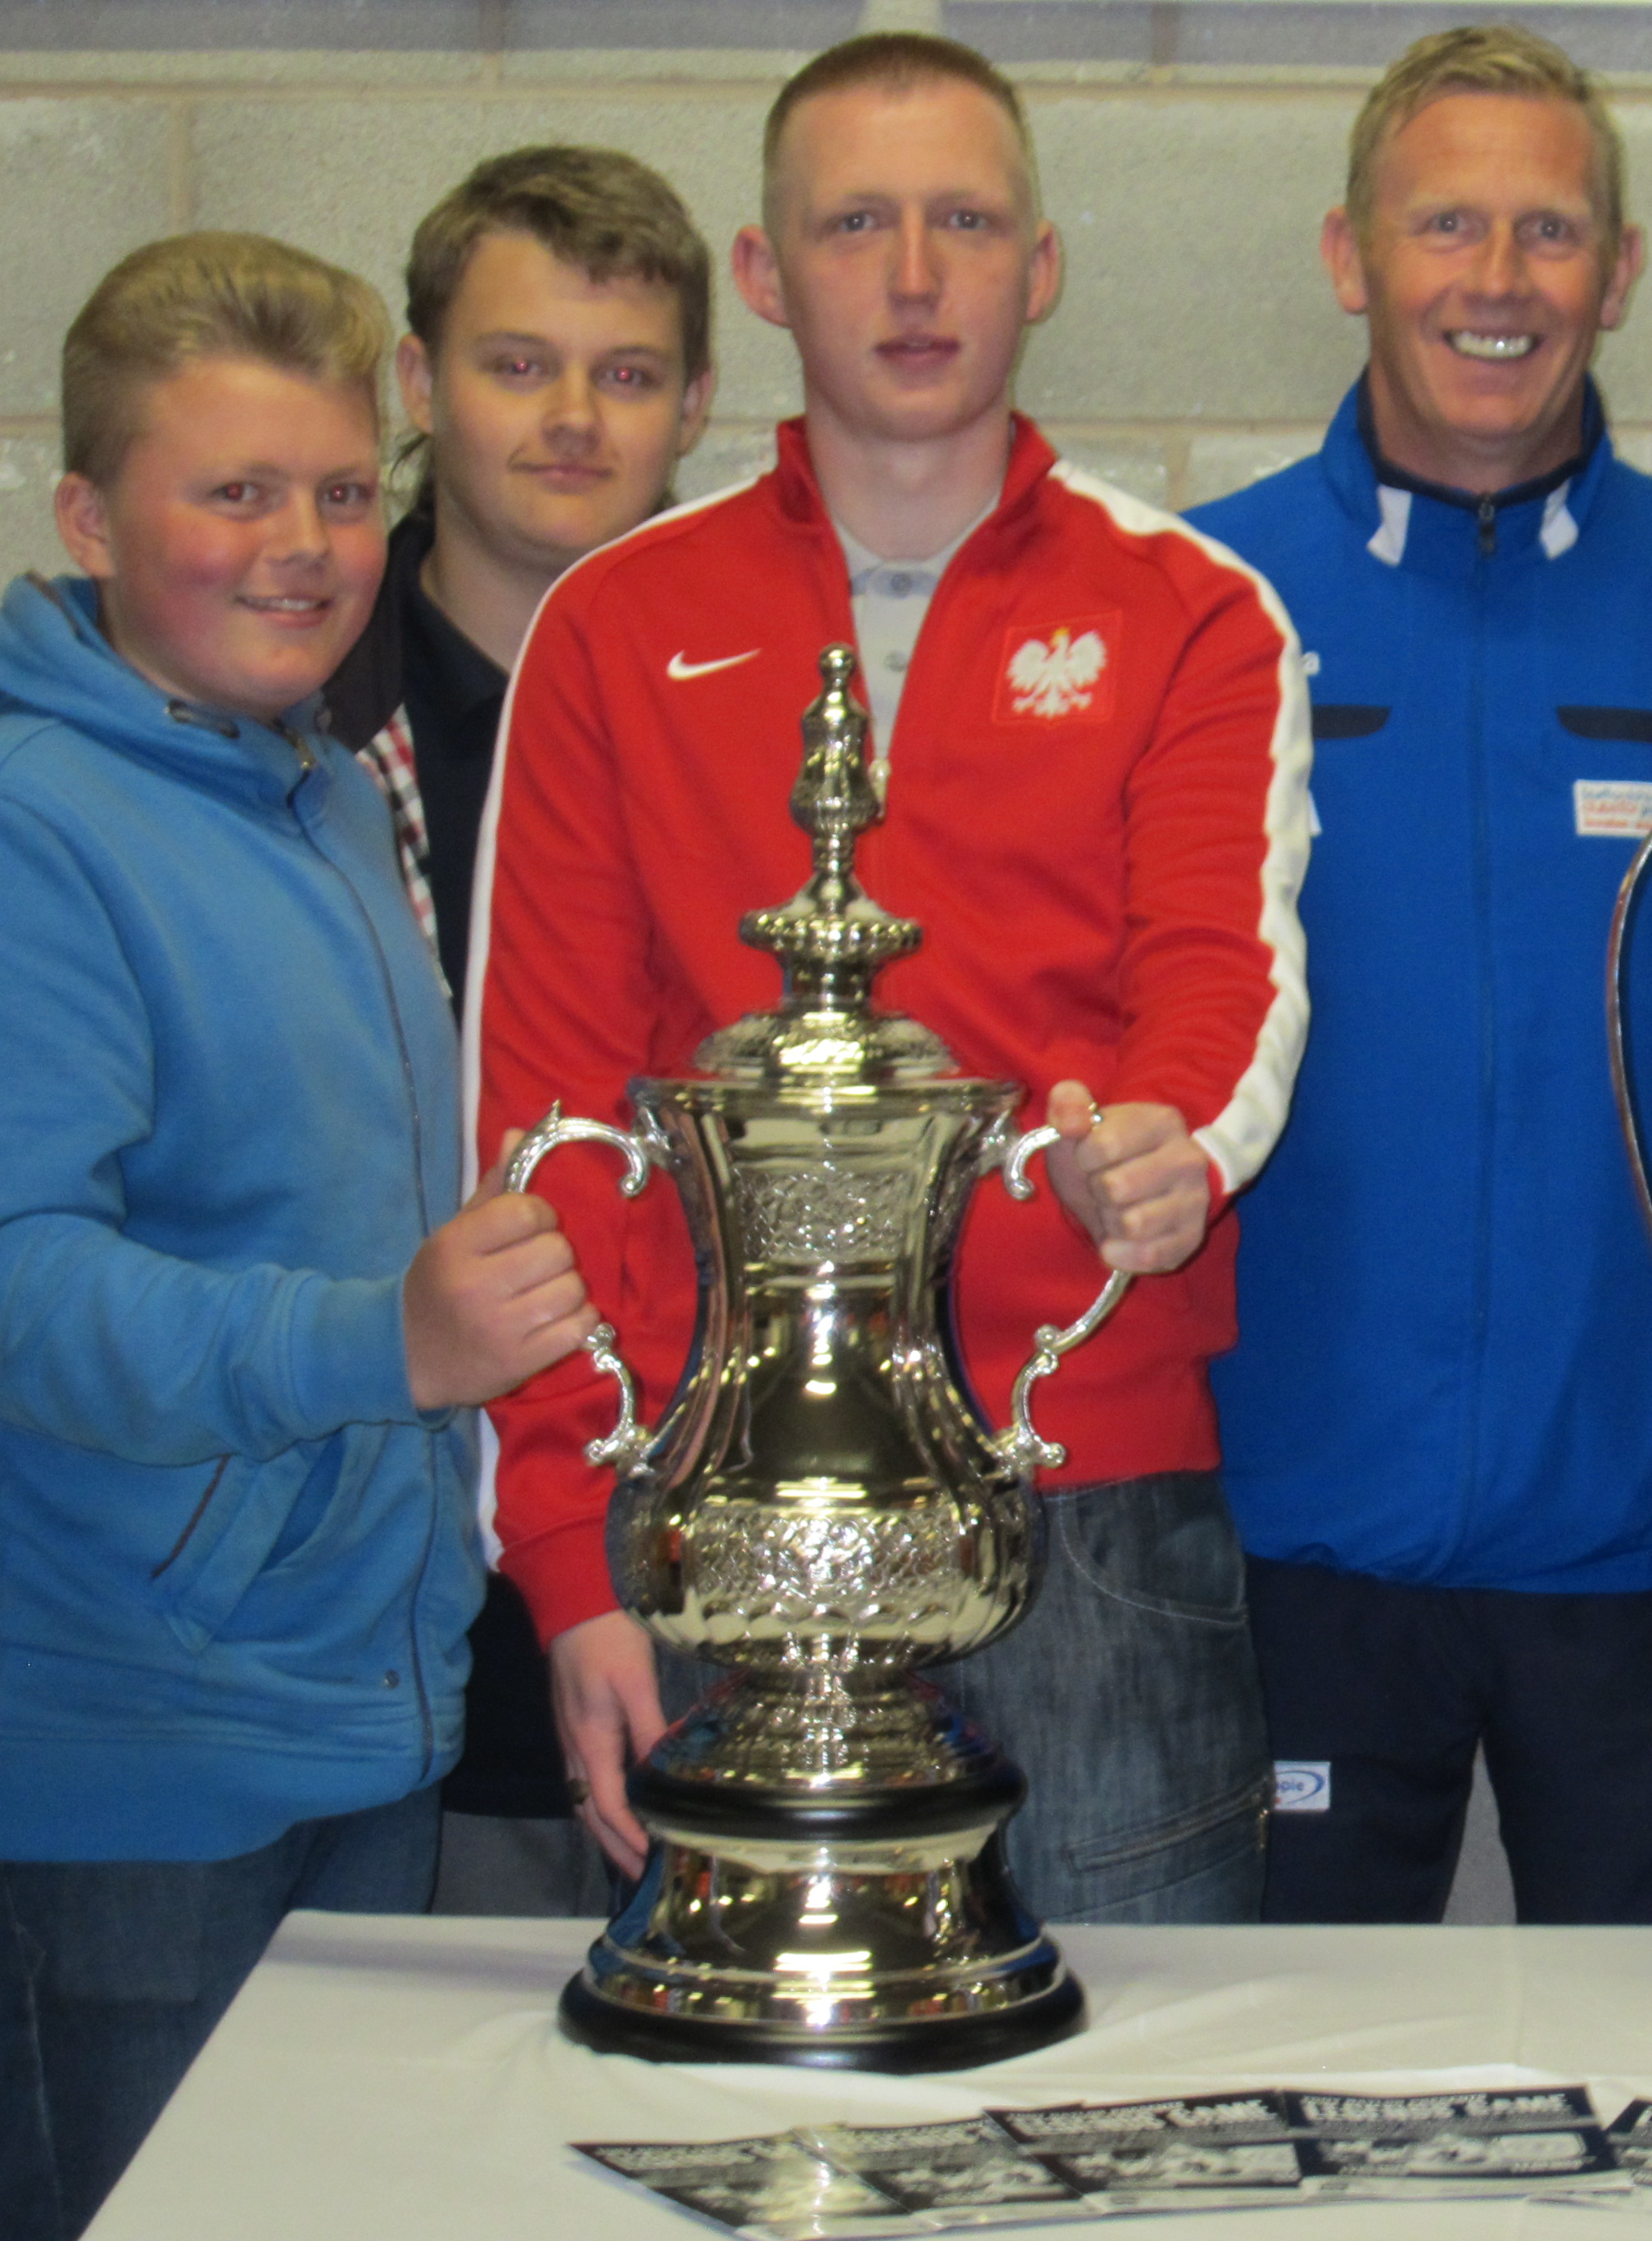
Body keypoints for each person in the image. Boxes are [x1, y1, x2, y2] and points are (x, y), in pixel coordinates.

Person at [470, 31, 1310, 1924]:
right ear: (763, 277)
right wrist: (563, 1556)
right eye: (857, 225)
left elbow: (1218, 981)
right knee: (753, 2139)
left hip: (1082, 1493)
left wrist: (1165, 1150)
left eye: (965, 221)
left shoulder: (1190, 610)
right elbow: (551, 1110)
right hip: (721, 1496)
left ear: (1044, 263)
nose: (916, 278)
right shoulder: (617, 625)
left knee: (1132, 2114)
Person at [1189, 25, 1652, 1925]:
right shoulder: (1206, 608)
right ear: (1347, 255)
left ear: (1618, 275)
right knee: (1276, 2109)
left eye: (1548, 232)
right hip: (1289, 1534)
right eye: (1443, 223)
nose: (1495, 280)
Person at [0, 233, 590, 2241]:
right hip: (138, 1761)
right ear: (90, 516)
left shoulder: (328, 795)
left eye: (343, 492)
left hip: (363, 1713)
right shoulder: (35, 821)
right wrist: (378, 1345)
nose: (305, 546)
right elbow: (19, 1280)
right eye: (232, 493)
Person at [319, 143, 715, 1918]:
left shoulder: (774, 721)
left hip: (683, 1558)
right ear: (418, 383)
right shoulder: (287, 721)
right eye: (515, 363)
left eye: (626, 375)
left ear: (695, 405)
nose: (573, 418)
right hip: (363, 1577)